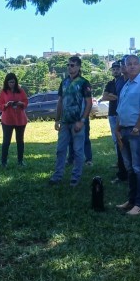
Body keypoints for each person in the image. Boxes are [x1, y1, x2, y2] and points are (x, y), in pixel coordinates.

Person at [115, 55, 140, 215]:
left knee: (139, 168)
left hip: (137, 131)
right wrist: (117, 129)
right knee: (130, 168)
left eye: (134, 64)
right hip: (124, 130)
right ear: (125, 67)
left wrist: (137, 128)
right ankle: (131, 201)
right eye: (128, 64)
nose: (131, 66)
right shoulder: (126, 85)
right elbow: (121, 109)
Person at [49, 55, 93, 187]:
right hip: (65, 122)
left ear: (78, 67)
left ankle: (75, 177)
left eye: (72, 65)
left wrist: (82, 120)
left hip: (77, 122)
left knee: (78, 150)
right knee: (60, 150)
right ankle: (57, 176)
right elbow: (60, 101)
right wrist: (57, 119)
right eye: (68, 65)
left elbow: (89, 103)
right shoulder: (64, 82)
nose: (69, 67)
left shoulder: (84, 83)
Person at [100, 60, 128, 183]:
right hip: (112, 114)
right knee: (116, 140)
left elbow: (124, 97)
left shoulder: (124, 81)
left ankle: (125, 167)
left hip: (121, 114)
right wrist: (116, 97)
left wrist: (113, 96)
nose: (116, 70)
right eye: (114, 69)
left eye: (118, 68)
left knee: (123, 140)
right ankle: (120, 162)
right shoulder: (110, 83)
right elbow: (104, 96)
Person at [0, 72, 29, 167]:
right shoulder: (3, 92)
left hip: (20, 120)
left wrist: (21, 103)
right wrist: (6, 105)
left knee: (20, 141)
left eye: (13, 82)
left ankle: (20, 161)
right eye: (10, 82)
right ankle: (4, 162)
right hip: (7, 120)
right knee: (6, 141)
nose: (12, 84)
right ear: (6, 82)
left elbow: (26, 102)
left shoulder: (21, 91)